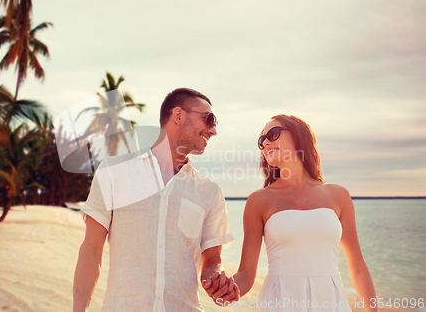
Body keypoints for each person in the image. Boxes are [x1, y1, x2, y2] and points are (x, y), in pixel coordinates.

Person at [73, 88, 238, 312]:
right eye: (209, 119)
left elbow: (211, 261)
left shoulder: (209, 191)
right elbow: (92, 249)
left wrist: (217, 281)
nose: (214, 130)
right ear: (178, 116)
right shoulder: (114, 171)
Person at [203, 114, 377, 312]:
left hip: (331, 301)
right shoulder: (259, 200)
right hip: (279, 302)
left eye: (273, 134)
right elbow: (246, 274)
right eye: (261, 140)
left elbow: (358, 267)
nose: (266, 142)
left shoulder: (338, 195)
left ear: (299, 137)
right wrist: (228, 290)